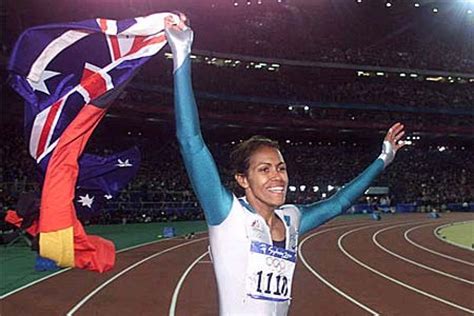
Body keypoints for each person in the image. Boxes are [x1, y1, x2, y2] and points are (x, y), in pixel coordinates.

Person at [164, 14, 406, 316]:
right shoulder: (227, 215)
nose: (277, 176)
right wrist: (182, 53)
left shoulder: (291, 220)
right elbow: (191, 141)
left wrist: (384, 158)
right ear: (243, 179)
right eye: (263, 170)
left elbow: (340, 201)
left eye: (280, 167)